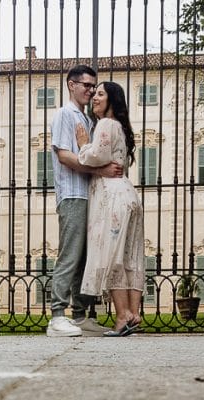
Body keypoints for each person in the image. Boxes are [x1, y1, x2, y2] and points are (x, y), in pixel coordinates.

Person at [46, 65, 124, 337]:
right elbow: (64, 156)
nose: (91, 91)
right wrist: (99, 170)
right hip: (72, 194)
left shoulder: (89, 119)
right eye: (86, 85)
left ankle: (79, 316)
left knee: (84, 259)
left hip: (91, 196)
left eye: (94, 87)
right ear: (71, 85)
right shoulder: (65, 115)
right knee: (69, 255)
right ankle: (57, 316)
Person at [75, 82, 145, 336]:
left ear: (112, 100)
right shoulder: (123, 129)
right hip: (129, 195)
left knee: (113, 255)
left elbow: (96, 156)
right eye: (94, 94)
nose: (94, 98)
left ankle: (122, 315)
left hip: (112, 197)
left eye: (100, 94)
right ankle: (134, 314)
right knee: (131, 256)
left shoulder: (106, 124)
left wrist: (83, 143)